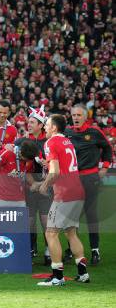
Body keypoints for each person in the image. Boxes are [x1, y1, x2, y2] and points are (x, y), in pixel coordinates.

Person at [35, 114, 89, 286]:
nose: (44, 127)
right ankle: (83, 273)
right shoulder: (67, 141)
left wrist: (44, 184)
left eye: (47, 125)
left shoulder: (50, 142)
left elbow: (56, 172)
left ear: (54, 128)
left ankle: (57, 276)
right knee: (71, 233)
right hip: (77, 191)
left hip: (64, 194)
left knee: (51, 233)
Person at [64, 104, 112, 264]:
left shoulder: (94, 132)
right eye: (73, 115)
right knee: (72, 216)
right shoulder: (67, 132)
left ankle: (95, 250)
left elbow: (108, 149)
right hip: (72, 179)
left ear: (85, 117)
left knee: (91, 215)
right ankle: (71, 248)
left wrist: (104, 167)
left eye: (78, 115)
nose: (75, 118)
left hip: (90, 178)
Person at [14, 106, 52, 263]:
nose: (28, 124)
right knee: (29, 221)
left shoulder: (49, 141)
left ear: (41, 124)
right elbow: (20, 164)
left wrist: (44, 183)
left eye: (32, 122)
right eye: (28, 122)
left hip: (47, 187)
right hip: (29, 187)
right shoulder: (22, 141)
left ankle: (50, 250)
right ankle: (31, 248)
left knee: (45, 220)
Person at [0, 140, 38, 207]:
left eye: (27, 160)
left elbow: (27, 173)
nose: (25, 161)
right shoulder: (7, 152)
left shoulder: (29, 158)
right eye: (24, 159)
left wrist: (33, 183)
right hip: (2, 198)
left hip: (20, 200)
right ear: (20, 152)